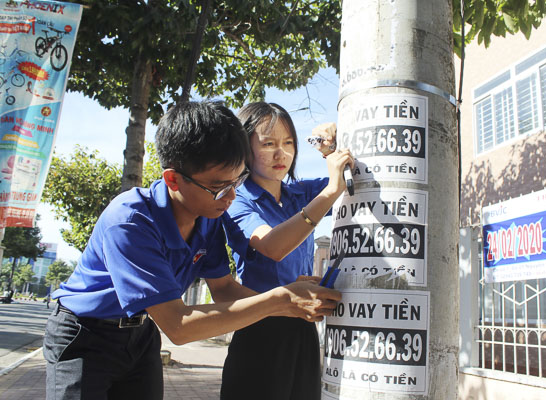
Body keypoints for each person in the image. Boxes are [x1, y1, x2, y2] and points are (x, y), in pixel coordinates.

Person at [43, 101, 341, 400]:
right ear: (173, 179)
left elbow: (223, 289)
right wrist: (281, 299)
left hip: (142, 334)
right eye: (218, 187)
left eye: (235, 182)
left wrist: (291, 304)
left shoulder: (207, 216)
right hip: (86, 336)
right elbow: (179, 326)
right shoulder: (130, 221)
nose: (230, 197)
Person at [221, 102, 353, 400]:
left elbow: (351, 178)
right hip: (259, 328)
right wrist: (330, 191)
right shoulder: (237, 199)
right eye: (268, 144)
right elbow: (273, 246)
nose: (281, 154)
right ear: (243, 149)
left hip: (305, 328)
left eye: (289, 142)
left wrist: (331, 150)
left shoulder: (300, 193)